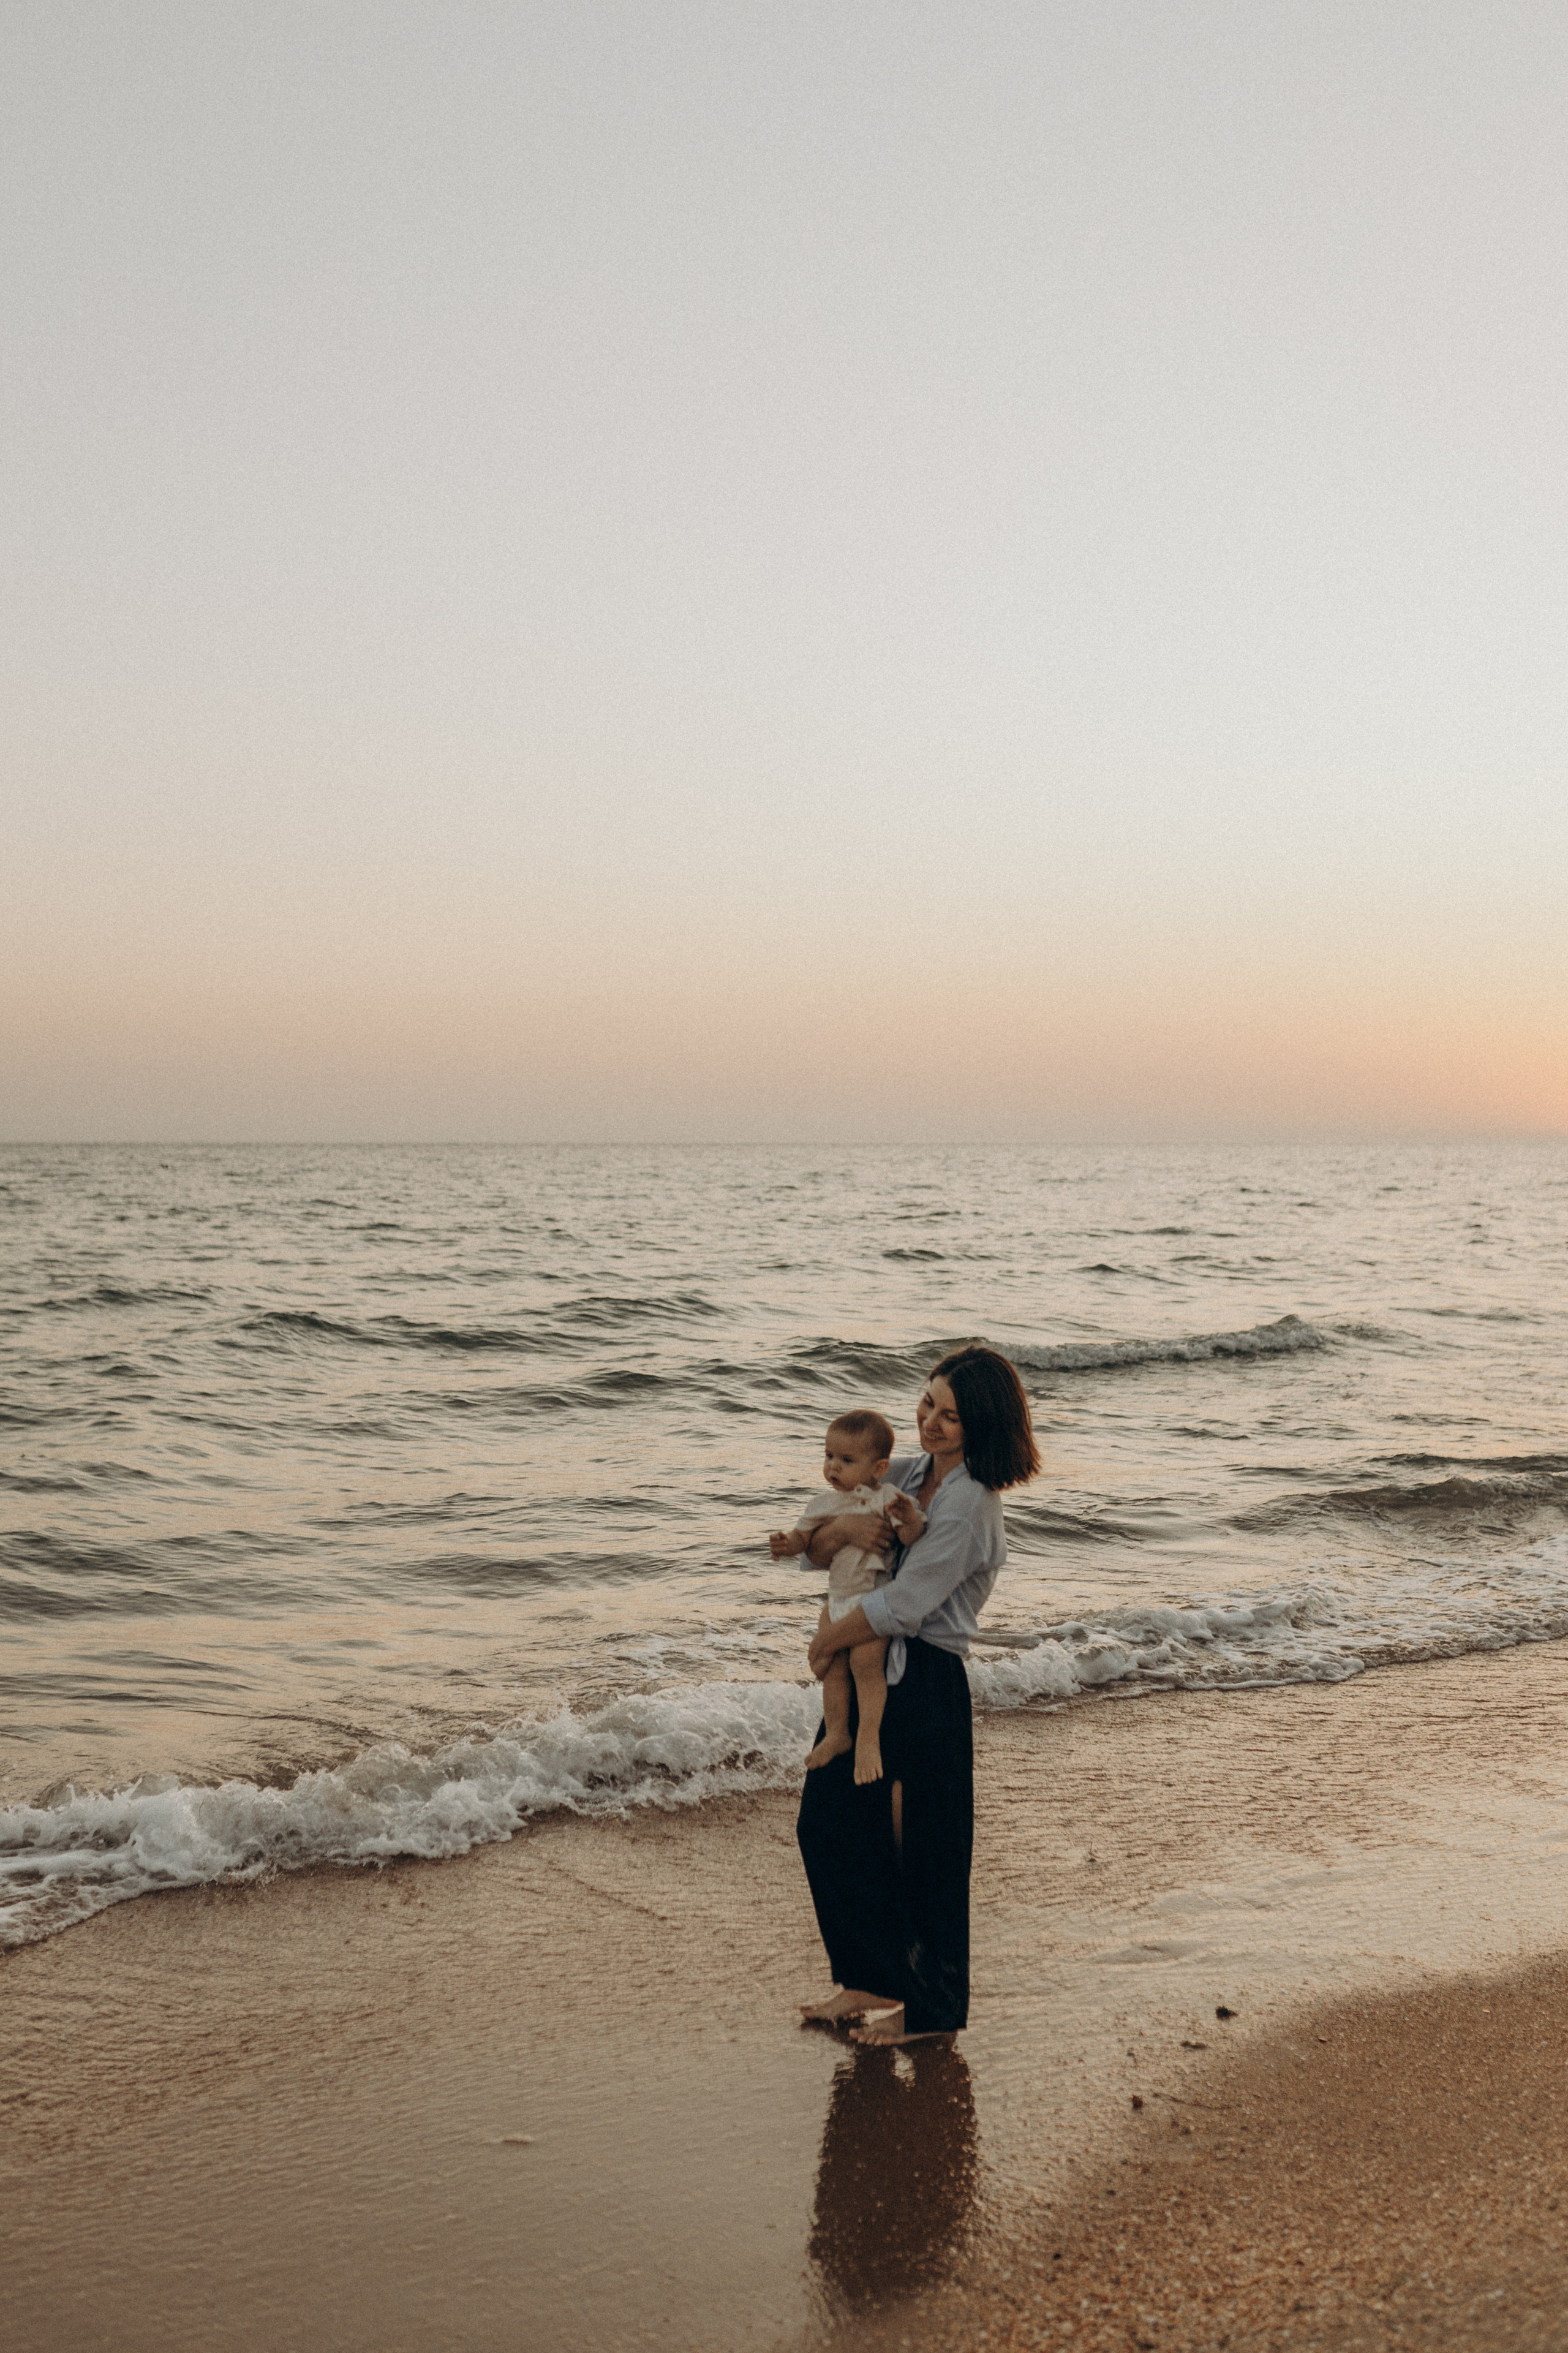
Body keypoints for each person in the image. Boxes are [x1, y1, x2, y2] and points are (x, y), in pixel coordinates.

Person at [793, 1345, 1039, 2047]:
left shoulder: (969, 1505)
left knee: (929, 1850)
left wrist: (829, 1639)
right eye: (927, 1403)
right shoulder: (905, 1471)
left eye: (950, 1416)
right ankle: (870, 1976)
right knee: (830, 1823)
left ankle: (931, 2011)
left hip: (927, 1676)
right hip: (875, 1668)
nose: (929, 1422)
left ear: (982, 1427)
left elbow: (905, 1605)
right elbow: (816, 1542)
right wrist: (837, 1531)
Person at [767, 1410, 925, 1785]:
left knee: (866, 1669)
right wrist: (784, 1545)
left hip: (873, 1599)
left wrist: (911, 1518)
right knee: (834, 1671)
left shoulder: (888, 1497)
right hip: (836, 1600)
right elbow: (803, 1544)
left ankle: (868, 1738)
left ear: (879, 1467)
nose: (833, 1467)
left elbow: (909, 1539)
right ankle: (839, 1733)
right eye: (829, 1456)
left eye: (847, 1460)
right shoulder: (821, 1505)